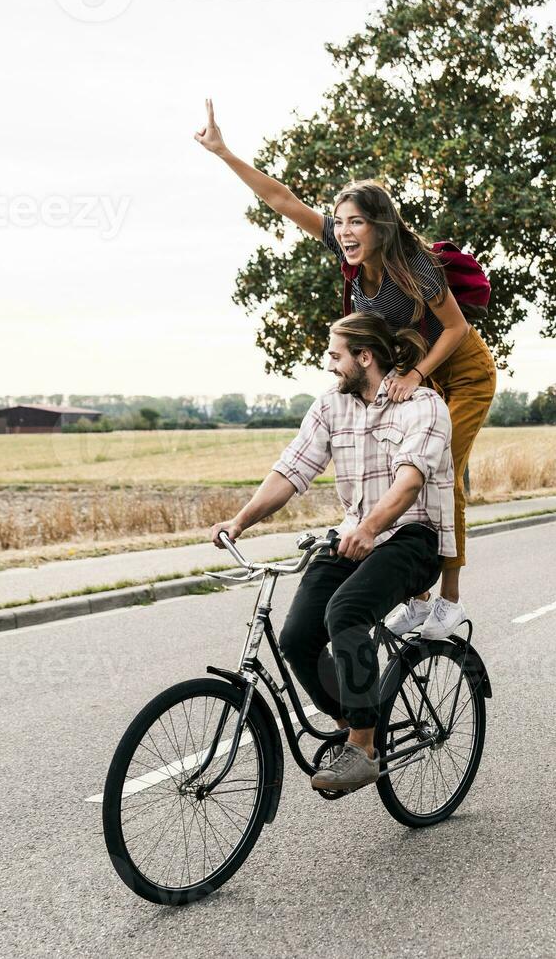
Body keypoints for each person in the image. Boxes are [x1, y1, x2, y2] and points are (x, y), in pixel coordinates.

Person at [195, 98, 496, 640]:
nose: (345, 231)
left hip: (460, 368)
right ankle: (416, 596)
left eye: (356, 221)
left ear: (379, 224)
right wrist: (223, 153)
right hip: (411, 371)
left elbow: (456, 330)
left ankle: (447, 601)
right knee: (389, 468)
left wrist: (417, 376)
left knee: (437, 469)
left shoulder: (418, 267)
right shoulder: (347, 251)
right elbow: (280, 199)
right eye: (339, 223)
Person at [209, 312, 455, 793]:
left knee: (345, 612)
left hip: (413, 538)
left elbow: (409, 482)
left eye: (335, 355)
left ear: (365, 358)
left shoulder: (423, 407)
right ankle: (355, 720)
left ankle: (363, 747)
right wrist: (240, 521)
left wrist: (370, 527)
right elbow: (291, 471)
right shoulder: (330, 407)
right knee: (298, 635)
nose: (328, 364)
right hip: (353, 535)